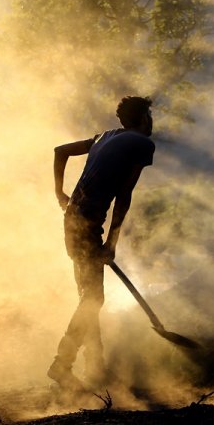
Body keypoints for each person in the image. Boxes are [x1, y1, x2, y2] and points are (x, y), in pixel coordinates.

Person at [48, 96, 155, 391]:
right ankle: (61, 364)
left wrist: (60, 194)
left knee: (88, 296)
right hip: (88, 225)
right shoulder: (142, 144)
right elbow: (124, 196)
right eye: (150, 115)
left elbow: (60, 151)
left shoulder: (104, 137)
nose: (152, 121)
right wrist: (111, 242)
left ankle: (95, 366)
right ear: (143, 118)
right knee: (93, 298)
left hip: (72, 219)